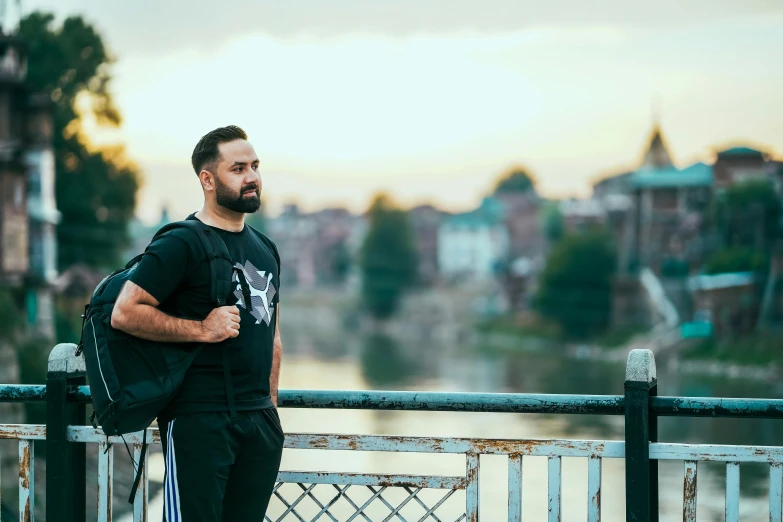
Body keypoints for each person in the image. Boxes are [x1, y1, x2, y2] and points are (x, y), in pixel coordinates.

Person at [111, 125, 284, 521]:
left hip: (258, 424)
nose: (252, 176)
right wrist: (202, 330)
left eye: (255, 166)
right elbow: (125, 311)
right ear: (208, 179)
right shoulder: (181, 241)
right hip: (199, 421)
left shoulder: (266, 248)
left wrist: (270, 412)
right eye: (238, 168)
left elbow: (273, 335)